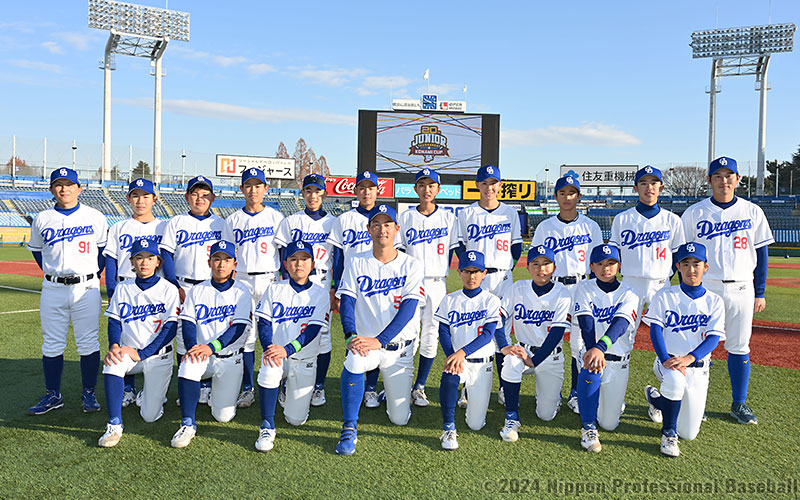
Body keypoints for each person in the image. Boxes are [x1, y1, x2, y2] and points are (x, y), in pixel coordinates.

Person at [681, 156, 774, 425]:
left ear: (738, 179)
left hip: (742, 286)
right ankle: (694, 401)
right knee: (698, 347)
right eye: (718, 176)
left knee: (739, 347)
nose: (724, 181)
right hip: (705, 288)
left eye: (729, 175)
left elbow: (762, 253)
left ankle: (739, 403)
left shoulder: (752, 211)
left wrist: (760, 291)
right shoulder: (694, 213)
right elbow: (682, 253)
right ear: (709, 180)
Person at [334, 204, 424, 455]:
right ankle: (349, 426)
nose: (381, 229)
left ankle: (390, 392)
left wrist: (380, 340)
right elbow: (348, 302)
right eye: (376, 224)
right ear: (368, 229)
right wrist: (351, 335)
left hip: (398, 349)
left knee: (400, 419)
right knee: (352, 361)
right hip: (367, 345)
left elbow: (409, 309)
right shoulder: (356, 261)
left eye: (387, 225)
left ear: (396, 229)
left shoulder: (411, 265)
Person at [27, 167, 108, 415]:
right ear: (52, 189)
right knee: (51, 343)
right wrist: (53, 273)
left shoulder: (95, 216)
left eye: (69, 184)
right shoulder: (42, 218)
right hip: (53, 287)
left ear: (79, 188)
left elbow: (103, 253)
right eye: (59, 185)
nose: (64, 189)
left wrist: (91, 274)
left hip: (86, 287)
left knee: (88, 342)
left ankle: (89, 393)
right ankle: (53, 394)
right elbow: (37, 251)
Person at [643, 242, 724, 457]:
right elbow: (656, 330)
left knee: (689, 432)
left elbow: (714, 338)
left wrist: (690, 358)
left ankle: (656, 400)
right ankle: (668, 433)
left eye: (696, 264)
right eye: (686, 264)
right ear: (678, 266)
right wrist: (664, 359)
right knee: (674, 381)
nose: (691, 269)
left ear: (705, 267)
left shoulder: (714, 301)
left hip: (698, 367)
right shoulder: (665, 295)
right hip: (668, 362)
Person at [327, 171, 400, 408]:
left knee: (377, 330)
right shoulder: (344, 219)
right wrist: (335, 288)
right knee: (355, 333)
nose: (366, 192)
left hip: (379, 284)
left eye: (371, 188)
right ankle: (355, 380)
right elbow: (337, 257)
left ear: (378, 191)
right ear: (355, 191)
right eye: (362, 188)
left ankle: (371, 387)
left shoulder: (386, 219)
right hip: (352, 282)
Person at [97, 238, 180, 447]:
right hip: (129, 352)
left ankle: (147, 394)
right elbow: (114, 321)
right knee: (112, 362)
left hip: (158, 355)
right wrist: (114, 346)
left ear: (158, 262)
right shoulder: (123, 288)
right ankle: (114, 425)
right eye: (139, 258)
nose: (144, 262)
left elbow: (170, 329)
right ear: (132, 262)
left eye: (150, 258)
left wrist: (143, 353)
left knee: (150, 416)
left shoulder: (169, 289)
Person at [531, 175, 603, 415]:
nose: (567, 197)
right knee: (550, 337)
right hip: (555, 288)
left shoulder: (590, 226)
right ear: (556, 197)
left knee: (579, 341)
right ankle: (551, 391)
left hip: (582, 286)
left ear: (579, 197)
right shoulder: (545, 227)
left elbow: (599, 262)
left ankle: (574, 391)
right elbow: (535, 261)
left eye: (572, 193)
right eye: (562, 193)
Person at [170, 241, 252, 448]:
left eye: (226, 260)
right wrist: (192, 348)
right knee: (187, 363)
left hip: (230, 358)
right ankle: (187, 423)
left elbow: (238, 328)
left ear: (234, 264)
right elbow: (187, 323)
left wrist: (211, 347)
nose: (221, 265)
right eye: (217, 259)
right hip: (203, 356)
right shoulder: (198, 290)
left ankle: (214, 392)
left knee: (223, 417)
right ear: (209, 262)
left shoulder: (242, 292)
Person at [253, 241, 330, 452]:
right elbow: (264, 322)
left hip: (303, 359)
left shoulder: (321, 293)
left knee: (296, 420)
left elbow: (313, 330)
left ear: (312, 264)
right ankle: (267, 424)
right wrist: (270, 347)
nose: (298, 264)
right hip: (278, 355)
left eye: (304, 259)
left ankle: (286, 387)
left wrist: (287, 349)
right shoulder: (274, 288)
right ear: (285, 264)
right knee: (269, 367)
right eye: (293, 259)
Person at [456, 164, 522, 407]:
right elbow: (460, 246)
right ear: (477, 186)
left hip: (503, 278)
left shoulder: (510, 213)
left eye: (493, 183)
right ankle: (467, 387)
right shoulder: (466, 213)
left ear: (500, 185)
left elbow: (517, 247)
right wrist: (472, 272)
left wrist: (506, 268)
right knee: (471, 330)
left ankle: (504, 387)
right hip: (477, 278)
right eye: (484, 183)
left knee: (501, 333)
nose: (489, 188)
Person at [222, 168, 285, 409]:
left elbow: (285, 253)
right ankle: (248, 387)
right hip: (243, 280)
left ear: (266, 189)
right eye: (248, 185)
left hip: (270, 279)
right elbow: (227, 255)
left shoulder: (276, 218)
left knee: (275, 335)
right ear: (242, 190)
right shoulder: (233, 220)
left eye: (258, 185)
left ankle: (278, 384)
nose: (253, 190)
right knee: (247, 338)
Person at [497, 245, 572, 443]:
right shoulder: (517, 288)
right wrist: (504, 346)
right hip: (523, 349)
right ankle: (512, 417)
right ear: (528, 267)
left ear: (554, 267)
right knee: (511, 362)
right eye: (535, 264)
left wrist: (535, 360)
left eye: (546, 264)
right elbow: (497, 319)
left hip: (550, 355)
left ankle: (552, 398)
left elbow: (557, 332)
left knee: (546, 415)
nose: (541, 269)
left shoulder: (563, 294)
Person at [160, 175, 225, 405]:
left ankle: (207, 385)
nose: (200, 198)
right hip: (184, 285)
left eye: (205, 194)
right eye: (195, 194)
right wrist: (173, 285)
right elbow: (166, 253)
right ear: (187, 197)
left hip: (210, 286)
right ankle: (187, 383)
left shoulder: (220, 224)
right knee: (182, 337)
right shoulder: (176, 222)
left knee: (208, 334)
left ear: (213, 198)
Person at [398, 168, 460, 407]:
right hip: (412, 281)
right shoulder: (405, 218)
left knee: (431, 334)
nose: (426, 189)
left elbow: (455, 250)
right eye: (422, 185)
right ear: (415, 189)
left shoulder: (448, 218)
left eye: (431, 185)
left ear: (438, 189)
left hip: (436, 281)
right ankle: (402, 383)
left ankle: (419, 386)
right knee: (408, 331)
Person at [103, 177, 167, 407]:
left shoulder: (163, 227)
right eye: (136, 195)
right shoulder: (119, 227)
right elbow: (110, 260)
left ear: (154, 199)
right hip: (125, 286)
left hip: (154, 287)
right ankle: (127, 388)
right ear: (128, 198)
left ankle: (153, 386)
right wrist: (112, 290)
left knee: (152, 336)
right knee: (124, 338)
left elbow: (168, 260)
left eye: (146, 196)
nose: (141, 201)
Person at [274, 173, 336, 408]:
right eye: (309, 191)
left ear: (324, 194)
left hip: (321, 281)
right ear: (303, 194)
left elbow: (336, 257)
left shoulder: (333, 222)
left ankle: (318, 386)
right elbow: (282, 255)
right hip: (295, 281)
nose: (313, 195)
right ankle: (287, 381)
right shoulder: (291, 221)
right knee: (290, 331)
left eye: (317, 191)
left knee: (323, 338)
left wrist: (333, 288)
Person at [572, 244, 638, 453]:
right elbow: (586, 321)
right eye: (599, 264)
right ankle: (588, 427)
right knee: (589, 364)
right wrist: (594, 350)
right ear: (591, 266)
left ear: (619, 265)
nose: (605, 268)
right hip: (593, 353)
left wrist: (600, 347)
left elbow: (620, 324)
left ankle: (607, 402)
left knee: (610, 424)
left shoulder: (630, 292)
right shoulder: (583, 287)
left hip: (617, 358)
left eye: (611, 263)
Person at [435, 251, 502, 450]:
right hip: (459, 362)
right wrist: (452, 357)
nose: (471, 276)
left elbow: (488, 335)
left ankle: (467, 392)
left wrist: (460, 352)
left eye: (476, 271)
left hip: (482, 364)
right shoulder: (449, 300)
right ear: (459, 272)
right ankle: (448, 427)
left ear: (484, 273)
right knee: (449, 374)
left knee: (475, 424)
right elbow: (443, 332)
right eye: (466, 271)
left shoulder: (491, 300)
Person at [609, 166, 685, 331]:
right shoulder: (622, 219)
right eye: (643, 183)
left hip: (660, 283)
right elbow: (614, 254)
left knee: (667, 333)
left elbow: (678, 255)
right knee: (624, 333)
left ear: (661, 187)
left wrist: (675, 282)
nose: (649, 187)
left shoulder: (673, 220)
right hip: (630, 283)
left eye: (653, 183)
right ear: (635, 188)